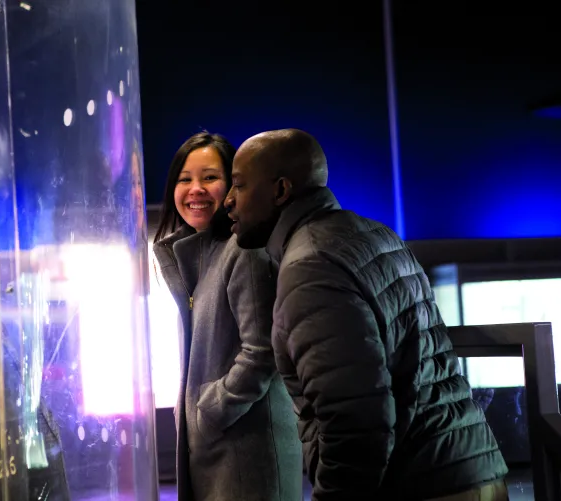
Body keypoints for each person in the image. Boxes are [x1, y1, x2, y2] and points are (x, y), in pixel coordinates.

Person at [224, 128, 509, 500]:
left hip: (422, 487)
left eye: (239, 186)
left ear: (280, 190)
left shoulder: (310, 266)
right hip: (470, 472)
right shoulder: (375, 233)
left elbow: (355, 423)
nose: (228, 201)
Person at [153, 131, 302, 501]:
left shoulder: (243, 250)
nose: (195, 189)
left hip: (247, 452)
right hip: (217, 451)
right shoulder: (197, 258)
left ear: (233, 188)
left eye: (210, 178)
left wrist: (208, 414)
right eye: (184, 179)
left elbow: (262, 352)